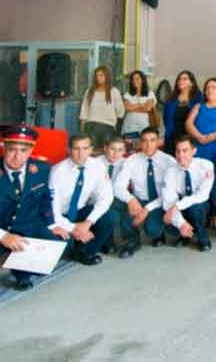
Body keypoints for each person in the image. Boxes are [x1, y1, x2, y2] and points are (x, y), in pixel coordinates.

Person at [0, 125, 68, 291]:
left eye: (23, 150)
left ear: (31, 151)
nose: (17, 156)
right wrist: (3, 236)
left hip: (29, 224)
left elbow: (45, 199)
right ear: (3, 148)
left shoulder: (42, 168)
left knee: (59, 243)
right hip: (2, 227)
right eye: (12, 150)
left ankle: (23, 272)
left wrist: (52, 225)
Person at [49, 134, 115, 265]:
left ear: (91, 149)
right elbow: (52, 210)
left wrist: (88, 223)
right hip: (60, 216)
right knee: (64, 247)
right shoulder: (57, 171)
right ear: (69, 150)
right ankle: (73, 246)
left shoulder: (98, 167)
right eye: (76, 149)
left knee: (109, 217)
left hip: (79, 212)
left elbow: (106, 198)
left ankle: (85, 251)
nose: (81, 154)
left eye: (85, 149)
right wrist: (73, 228)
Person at [113, 127, 176, 257]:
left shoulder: (169, 161)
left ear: (158, 142)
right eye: (144, 141)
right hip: (139, 200)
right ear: (140, 142)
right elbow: (118, 186)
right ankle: (132, 240)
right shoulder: (132, 160)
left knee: (152, 230)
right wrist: (130, 199)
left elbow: (169, 192)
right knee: (121, 202)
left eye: (152, 140)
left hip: (159, 201)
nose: (148, 145)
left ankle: (160, 232)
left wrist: (146, 210)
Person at [162, 136, 214, 252]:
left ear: (194, 151)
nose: (180, 155)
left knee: (194, 210)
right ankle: (184, 235)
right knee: (167, 215)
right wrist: (181, 223)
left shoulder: (206, 166)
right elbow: (168, 199)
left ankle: (203, 238)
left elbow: (202, 195)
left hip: (200, 204)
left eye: (185, 150)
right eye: (178, 151)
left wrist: (177, 207)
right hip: (180, 203)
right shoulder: (170, 171)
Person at [95, 136, 128, 254]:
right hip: (98, 198)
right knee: (105, 210)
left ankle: (125, 240)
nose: (115, 154)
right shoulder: (96, 163)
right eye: (112, 149)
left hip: (117, 197)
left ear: (124, 152)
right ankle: (107, 242)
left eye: (120, 150)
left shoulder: (126, 163)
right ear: (105, 148)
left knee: (120, 208)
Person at [79, 66, 125, 149]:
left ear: (107, 76)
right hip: (90, 126)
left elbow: (120, 112)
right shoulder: (90, 91)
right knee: (92, 153)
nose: (98, 78)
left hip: (108, 127)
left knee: (106, 153)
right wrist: (82, 131)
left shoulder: (114, 91)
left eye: (101, 75)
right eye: (97, 76)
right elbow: (84, 111)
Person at [163, 70, 202, 155]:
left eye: (185, 79)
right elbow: (166, 119)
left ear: (192, 83)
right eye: (179, 79)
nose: (181, 81)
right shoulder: (171, 98)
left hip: (191, 137)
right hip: (172, 137)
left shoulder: (198, 98)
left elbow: (201, 118)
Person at [122, 70, 157, 138]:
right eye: (133, 79)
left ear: (143, 80)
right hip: (129, 129)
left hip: (144, 129)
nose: (134, 81)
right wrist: (142, 105)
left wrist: (132, 107)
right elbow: (127, 108)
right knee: (131, 148)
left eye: (137, 78)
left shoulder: (150, 93)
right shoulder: (127, 94)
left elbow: (148, 108)